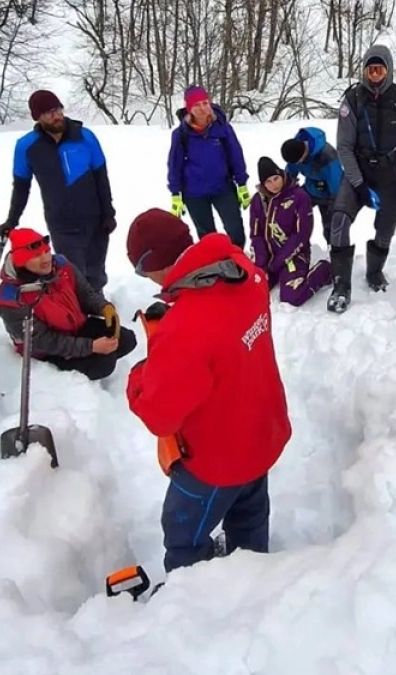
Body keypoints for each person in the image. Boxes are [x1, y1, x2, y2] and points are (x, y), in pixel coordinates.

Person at [124, 208, 292, 574]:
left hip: (216, 460)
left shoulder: (184, 329)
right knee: (249, 517)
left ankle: (193, 603)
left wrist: (141, 374)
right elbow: (224, 340)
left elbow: (159, 413)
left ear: (152, 263)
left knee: (183, 535)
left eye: (141, 269)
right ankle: (256, 578)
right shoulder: (245, 274)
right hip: (261, 433)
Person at [327, 44, 396, 312]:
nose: (375, 74)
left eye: (380, 69)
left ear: (388, 70)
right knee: (339, 220)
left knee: (385, 231)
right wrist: (358, 184)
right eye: (371, 69)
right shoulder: (353, 100)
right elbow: (344, 146)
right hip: (359, 171)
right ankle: (341, 284)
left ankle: (374, 272)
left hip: (393, 174)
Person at [0, 90, 116, 292]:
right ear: (37, 117)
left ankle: (99, 312)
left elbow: (101, 178)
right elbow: (21, 187)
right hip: (61, 223)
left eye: (58, 109)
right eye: (49, 112)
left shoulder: (85, 137)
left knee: (96, 274)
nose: (57, 115)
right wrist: (12, 220)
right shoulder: (26, 147)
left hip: (95, 220)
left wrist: (108, 213)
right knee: (72, 276)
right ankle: (77, 316)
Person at [0, 228, 136, 381]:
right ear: (21, 261)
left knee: (127, 339)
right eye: (36, 255)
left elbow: (85, 294)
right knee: (104, 364)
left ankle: (90, 360)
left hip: (77, 327)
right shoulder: (11, 300)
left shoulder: (60, 266)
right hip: (48, 351)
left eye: (46, 251)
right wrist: (91, 347)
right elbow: (43, 341)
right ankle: (68, 380)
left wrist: (103, 307)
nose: (45, 259)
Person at [167, 85, 251, 248]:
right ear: (189, 108)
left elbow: (236, 155)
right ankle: (216, 267)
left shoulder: (222, 128)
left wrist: (241, 184)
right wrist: (175, 193)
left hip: (223, 188)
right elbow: (174, 164)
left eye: (205, 103)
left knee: (235, 231)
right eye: (196, 105)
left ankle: (238, 262)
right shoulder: (181, 134)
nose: (202, 108)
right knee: (207, 237)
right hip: (194, 193)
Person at [250, 157, 334, 307]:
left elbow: (302, 235)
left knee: (292, 297)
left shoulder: (299, 196)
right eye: (268, 182)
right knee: (253, 291)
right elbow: (256, 234)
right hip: (269, 256)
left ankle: (325, 270)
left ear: (282, 175)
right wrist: (261, 264)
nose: (274, 184)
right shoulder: (258, 200)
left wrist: (278, 262)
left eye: (276, 178)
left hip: (294, 254)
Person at [280, 126, 344, 246]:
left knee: (330, 227)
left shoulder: (327, 156)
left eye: (299, 162)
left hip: (330, 194)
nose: (298, 164)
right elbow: (290, 174)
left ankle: (334, 251)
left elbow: (337, 185)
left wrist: (334, 205)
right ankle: (290, 243)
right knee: (289, 211)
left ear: (304, 153)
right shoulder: (295, 151)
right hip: (311, 188)